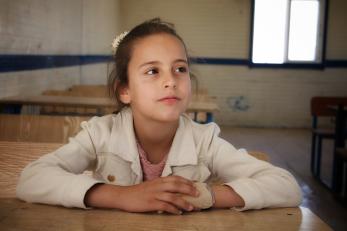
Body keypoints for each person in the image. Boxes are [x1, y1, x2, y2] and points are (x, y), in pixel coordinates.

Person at [16, 18, 302, 215]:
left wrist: (205, 196)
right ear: (125, 90)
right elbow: (31, 179)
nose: (171, 81)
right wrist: (122, 196)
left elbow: (287, 186)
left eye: (180, 69)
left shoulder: (205, 141)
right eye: (153, 71)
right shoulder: (99, 133)